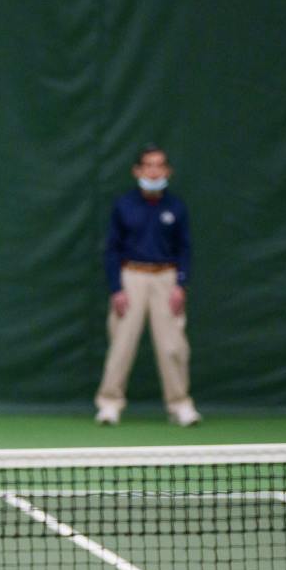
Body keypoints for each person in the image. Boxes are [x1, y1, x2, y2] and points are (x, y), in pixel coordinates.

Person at [96, 147, 199, 427]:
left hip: (167, 278)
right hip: (131, 277)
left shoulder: (176, 208)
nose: (154, 171)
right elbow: (112, 250)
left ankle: (179, 405)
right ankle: (109, 403)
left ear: (167, 171)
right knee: (121, 343)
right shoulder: (123, 205)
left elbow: (184, 249)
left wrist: (180, 285)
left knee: (172, 346)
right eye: (148, 166)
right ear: (137, 171)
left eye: (159, 166)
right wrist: (117, 288)